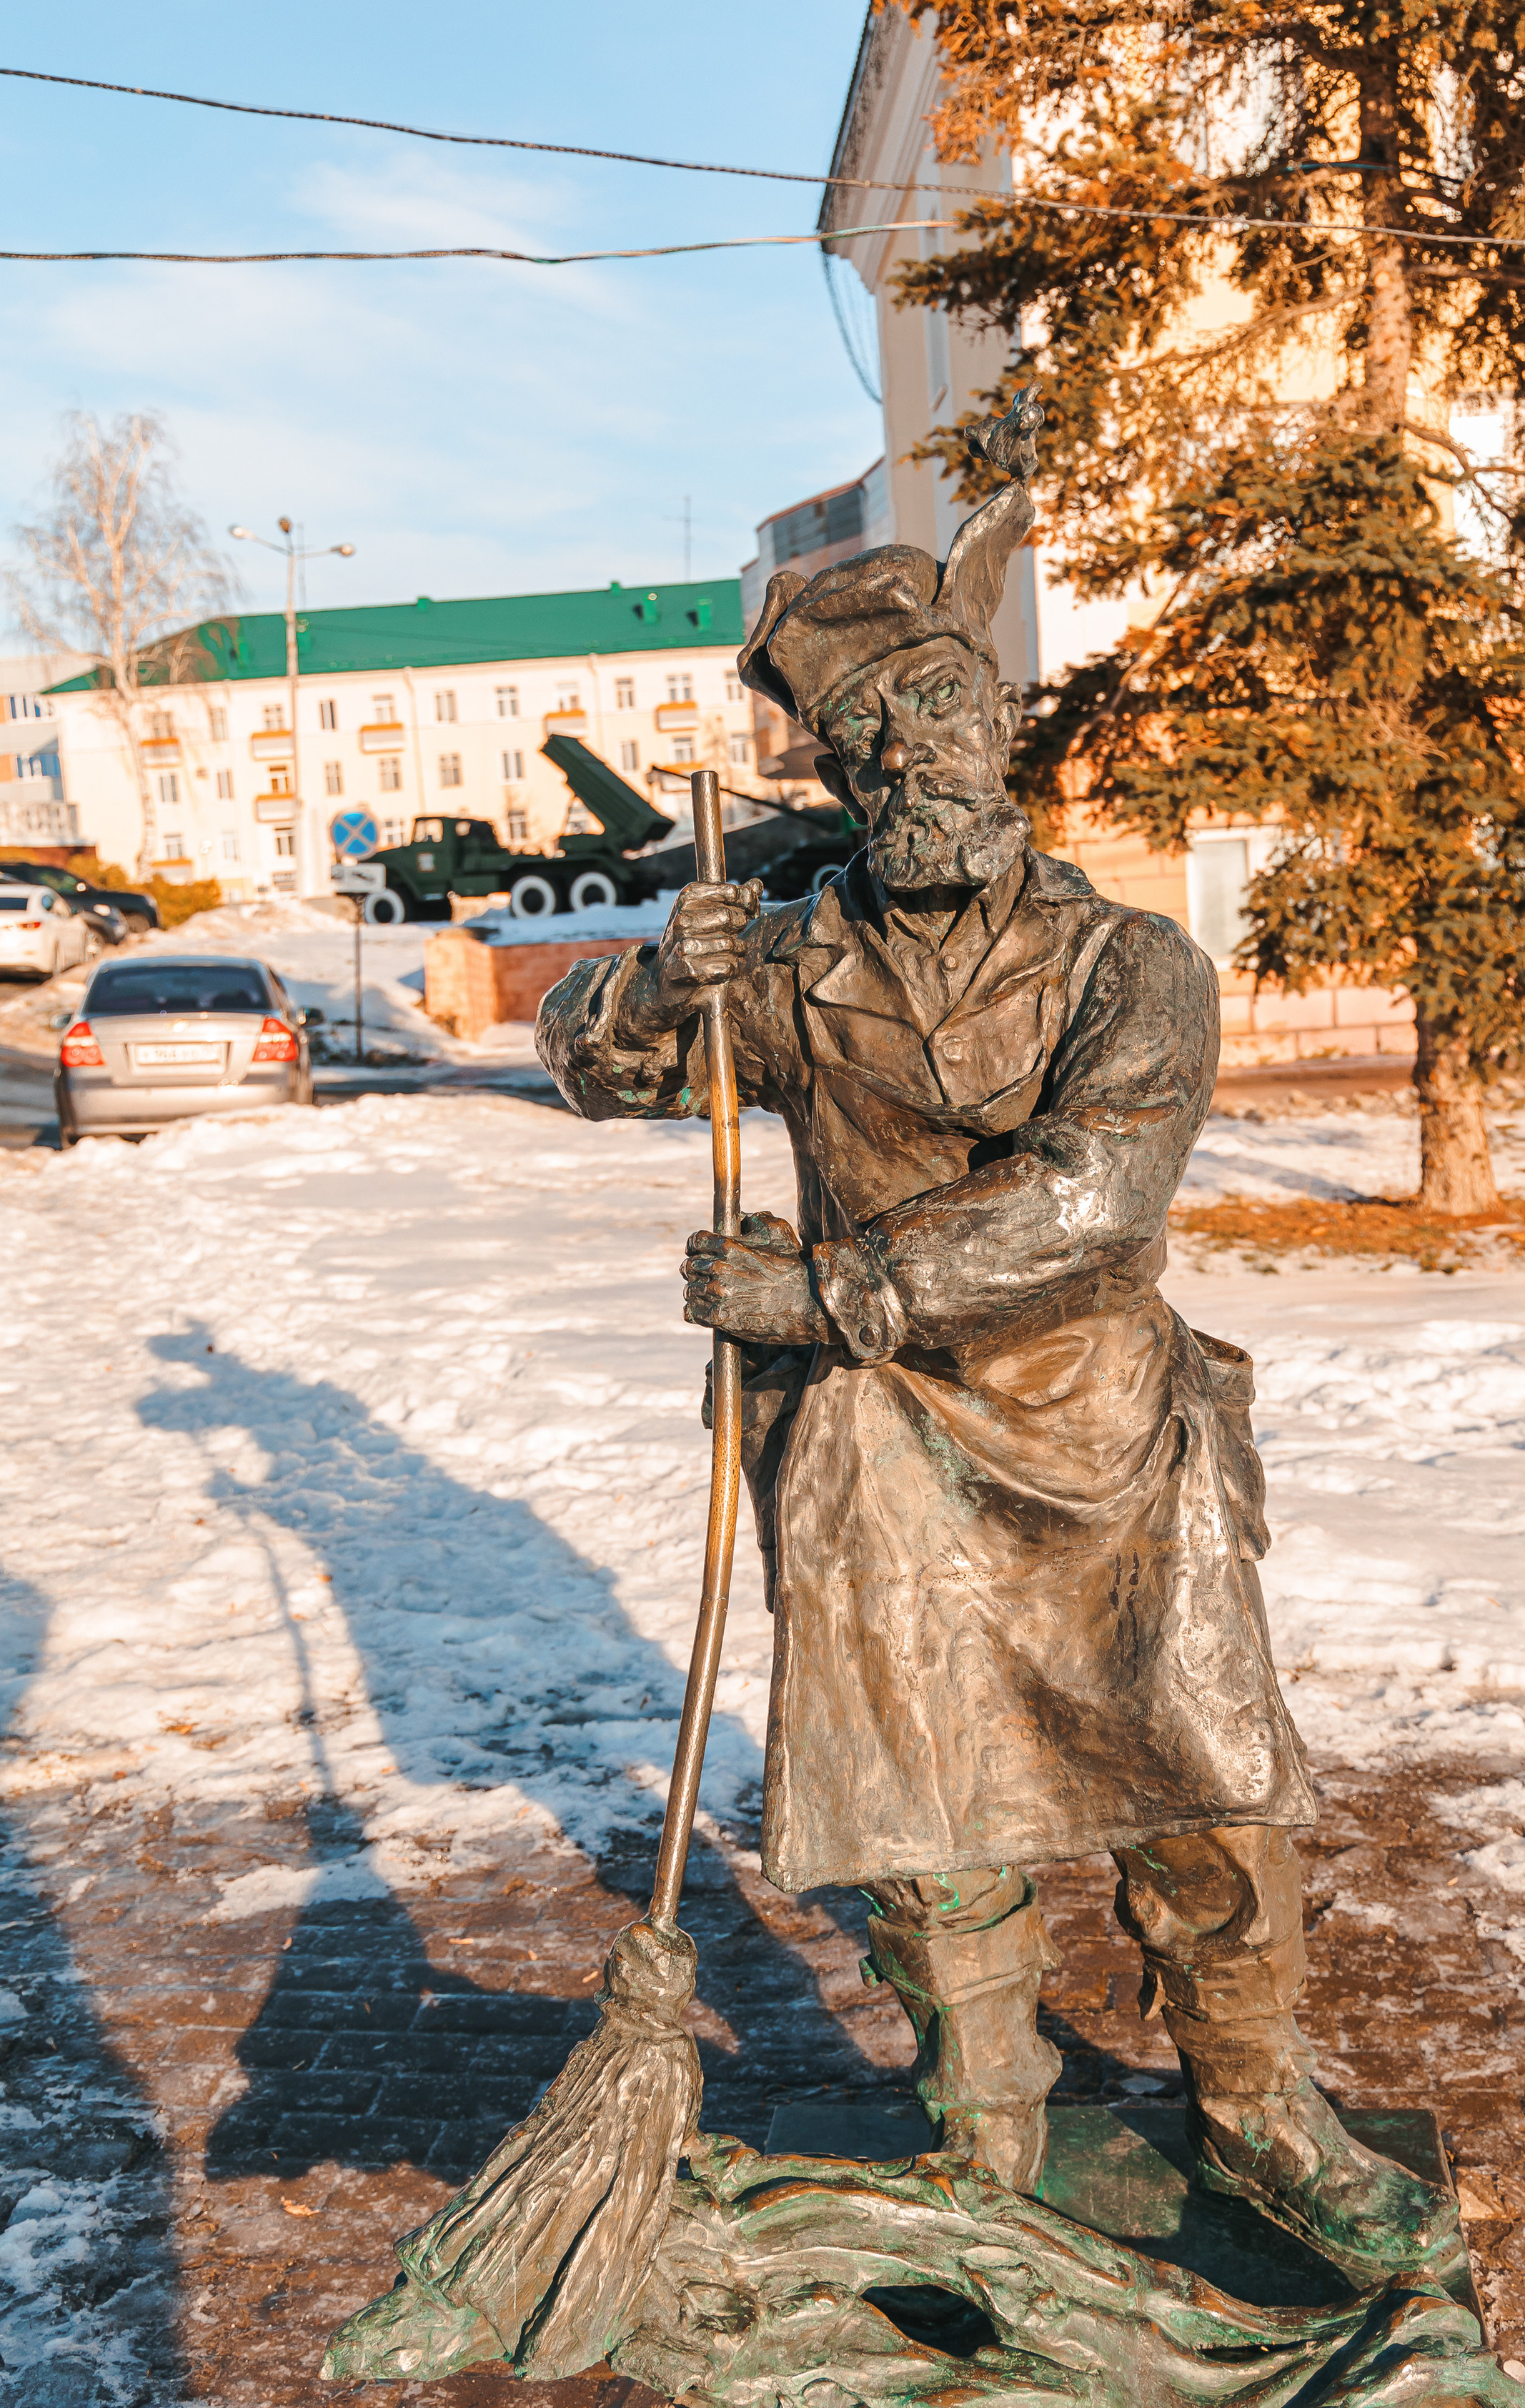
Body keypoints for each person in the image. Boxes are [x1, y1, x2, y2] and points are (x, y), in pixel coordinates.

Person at [537, 398, 1454, 2285]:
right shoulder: (787, 965)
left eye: (943, 711)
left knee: (1201, 1782)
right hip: (877, 1442)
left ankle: (1261, 2110)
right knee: (925, 1808)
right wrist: (645, 987)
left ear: (997, 725)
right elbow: (597, 1072)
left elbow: (1091, 1197)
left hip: (1102, 1427)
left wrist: (826, 1293)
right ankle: (988, 2127)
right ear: (842, 769)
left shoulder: (1135, 966)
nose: (916, 758)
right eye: (875, 734)